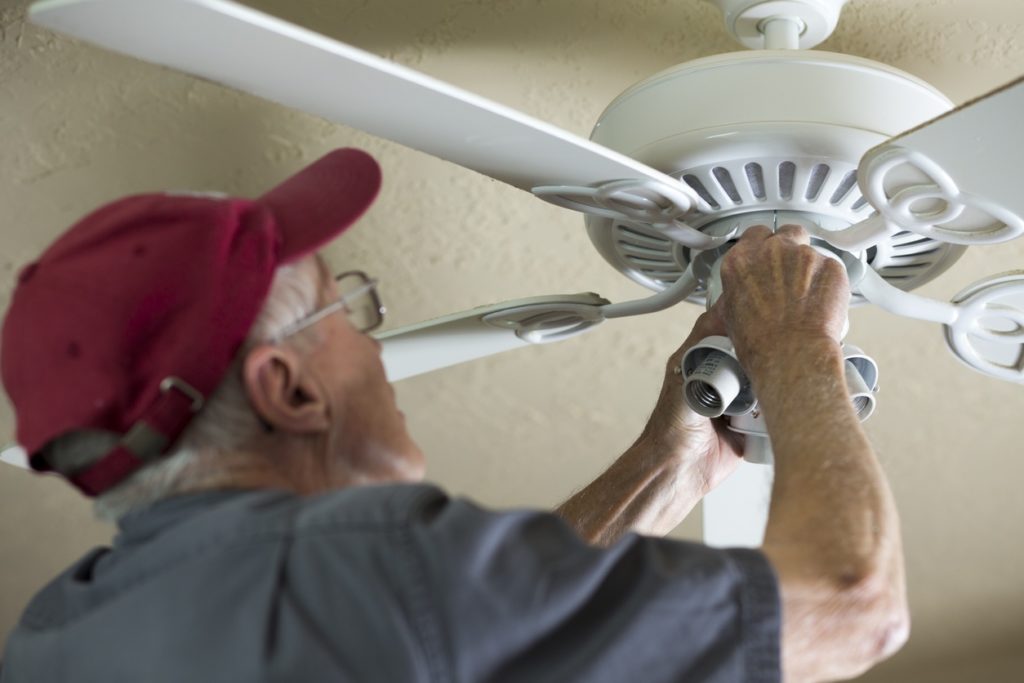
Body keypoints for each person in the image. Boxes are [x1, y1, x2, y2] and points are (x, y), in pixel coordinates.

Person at [0, 149, 908, 682]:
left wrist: (667, 467)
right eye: (347, 309)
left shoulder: (54, 631)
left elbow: (469, 643)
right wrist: (795, 342)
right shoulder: (369, 559)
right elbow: (852, 602)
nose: (372, 339)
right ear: (290, 390)